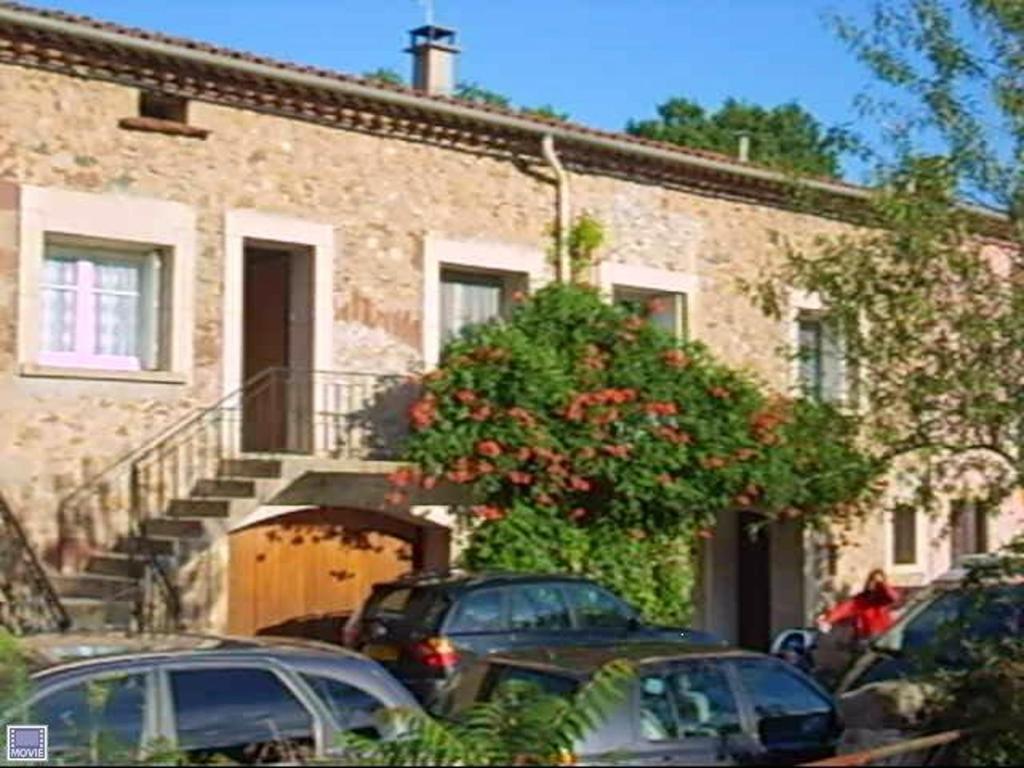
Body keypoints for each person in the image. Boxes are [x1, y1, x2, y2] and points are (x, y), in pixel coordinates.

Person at [818, 568, 901, 641]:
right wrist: (828, 620)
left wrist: (881, 585)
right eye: (872, 580)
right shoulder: (860, 599)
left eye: (878, 582)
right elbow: (843, 609)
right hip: (864, 636)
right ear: (868, 582)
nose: (874, 584)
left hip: (883, 635)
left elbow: (893, 597)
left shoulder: (883, 599)